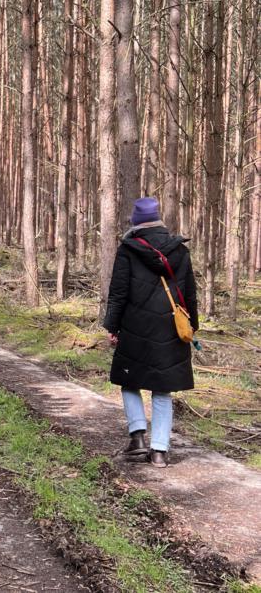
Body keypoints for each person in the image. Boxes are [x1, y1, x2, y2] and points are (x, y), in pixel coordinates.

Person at [103, 197, 199, 468]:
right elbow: (189, 292)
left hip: (135, 326)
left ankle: (137, 437)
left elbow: (118, 293)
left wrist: (112, 326)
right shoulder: (179, 250)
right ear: (158, 219)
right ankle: (159, 451)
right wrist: (192, 326)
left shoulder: (128, 249)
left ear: (136, 221)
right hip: (170, 328)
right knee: (162, 388)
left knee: (129, 380)